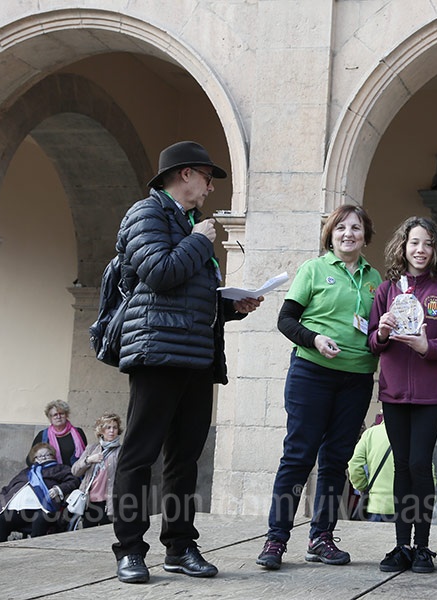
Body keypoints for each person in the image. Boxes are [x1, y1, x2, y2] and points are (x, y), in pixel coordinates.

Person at [111, 141, 262, 584]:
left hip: (197, 356)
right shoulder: (147, 214)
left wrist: (233, 306)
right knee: (139, 455)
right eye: (207, 178)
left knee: (184, 459)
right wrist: (198, 241)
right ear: (184, 175)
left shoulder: (192, 225)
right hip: (157, 352)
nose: (211, 188)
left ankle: (179, 547)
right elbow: (159, 273)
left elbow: (191, 295)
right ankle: (130, 550)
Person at [257, 204, 381, 571]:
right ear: (330, 234)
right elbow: (286, 320)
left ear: (365, 235)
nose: (348, 234)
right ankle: (276, 538)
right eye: (341, 227)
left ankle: (321, 537)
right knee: (298, 456)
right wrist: (314, 339)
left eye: (355, 228)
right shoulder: (313, 269)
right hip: (311, 374)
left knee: (336, 460)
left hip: (357, 379)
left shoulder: (375, 279)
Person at [368, 216, 437, 574]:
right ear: (403, 246)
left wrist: (429, 347)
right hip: (394, 392)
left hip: (430, 394)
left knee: (420, 465)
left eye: (427, 243)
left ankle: (422, 546)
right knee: (401, 466)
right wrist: (381, 332)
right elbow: (372, 342)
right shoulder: (387, 290)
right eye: (414, 243)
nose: (420, 250)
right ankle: (401, 546)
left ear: (436, 248)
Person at [0, 443, 80, 543]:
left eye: (47, 455)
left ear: (53, 456)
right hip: (17, 510)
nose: (44, 458)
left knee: (41, 519)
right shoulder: (25, 472)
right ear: (34, 459)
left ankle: (34, 550)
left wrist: (58, 489)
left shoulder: (60, 469)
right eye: (40, 456)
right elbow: (7, 488)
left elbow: (74, 480)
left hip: (42, 509)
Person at [72, 413, 123, 529]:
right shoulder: (92, 448)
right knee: (88, 534)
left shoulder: (121, 451)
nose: (112, 431)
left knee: (106, 533)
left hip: (109, 501)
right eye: (108, 427)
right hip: (89, 501)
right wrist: (89, 460)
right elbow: (75, 471)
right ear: (101, 431)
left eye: (115, 427)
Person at [347, 414, 395, 522]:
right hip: (408, 505)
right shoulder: (415, 435)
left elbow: (355, 465)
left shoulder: (370, 434)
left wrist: (363, 487)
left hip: (375, 505)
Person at [28, 400, 87, 467]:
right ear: (50, 418)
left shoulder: (78, 432)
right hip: (52, 472)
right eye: (55, 415)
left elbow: (85, 454)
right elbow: (30, 459)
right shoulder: (43, 435)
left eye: (61, 414)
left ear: (66, 415)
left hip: (75, 472)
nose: (58, 417)